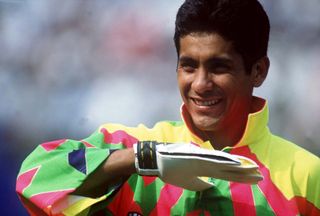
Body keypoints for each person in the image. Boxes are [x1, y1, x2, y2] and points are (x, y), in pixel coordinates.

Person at [16, 0, 320, 215]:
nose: (200, 84)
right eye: (188, 66)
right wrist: (142, 159)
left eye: (219, 67)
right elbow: (33, 179)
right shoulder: (128, 146)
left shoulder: (307, 175)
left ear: (258, 71)